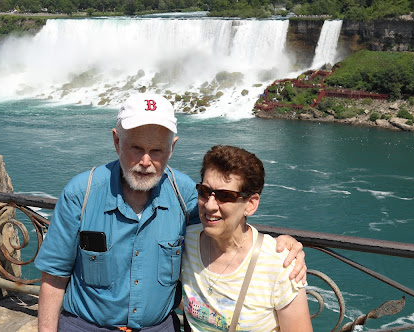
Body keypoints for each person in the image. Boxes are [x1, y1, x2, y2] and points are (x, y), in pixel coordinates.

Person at [35, 93, 307, 331]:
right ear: (117, 142)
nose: (146, 162)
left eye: (157, 151)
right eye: (136, 148)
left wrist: (282, 244)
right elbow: (54, 275)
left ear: (172, 148)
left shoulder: (187, 194)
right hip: (86, 327)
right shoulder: (82, 193)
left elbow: (222, 227)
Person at [181, 145, 313, 332]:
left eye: (224, 196)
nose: (210, 205)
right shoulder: (184, 243)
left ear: (250, 205)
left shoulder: (279, 265)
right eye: (204, 191)